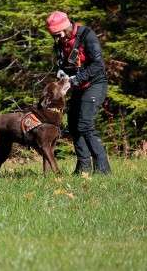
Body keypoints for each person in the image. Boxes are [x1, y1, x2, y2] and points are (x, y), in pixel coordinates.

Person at [46, 11, 111, 174]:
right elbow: (64, 63)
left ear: (66, 26)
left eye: (58, 33)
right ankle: (83, 168)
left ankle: (103, 169)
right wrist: (61, 73)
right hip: (78, 86)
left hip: (95, 83)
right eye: (54, 34)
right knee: (74, 125)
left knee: (85, 124)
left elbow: (98, 65)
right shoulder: (60, 41)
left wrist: (74, 80)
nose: (57, 37)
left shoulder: (87, 36)